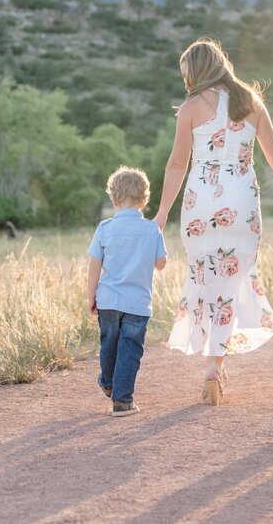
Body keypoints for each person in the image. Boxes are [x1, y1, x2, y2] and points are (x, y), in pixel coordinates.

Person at [155, 38, 273, 405]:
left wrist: (163, 211)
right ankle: (216, 365)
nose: (185, 81)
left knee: (204, 279)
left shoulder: (191, 108)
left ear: (196, 71)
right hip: (242, 204)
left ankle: (212, 365)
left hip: (200, 206)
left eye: (186, 74)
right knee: (231, 282)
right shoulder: (250, 101)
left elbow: (177, 163)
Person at [87, 166, 168, 417]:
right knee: (130, 348)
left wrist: (91, 296)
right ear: (145, 200)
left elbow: (94, 264)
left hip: (108, 299)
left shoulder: (104, 228)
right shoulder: (152, 229)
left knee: (108, 344)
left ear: (113, 199)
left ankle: (109, 382)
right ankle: (122, 400)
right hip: (137, 303)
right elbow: (161, 264)